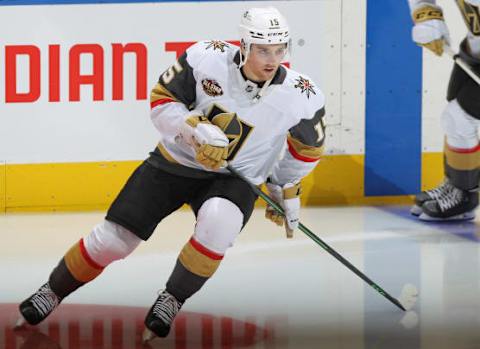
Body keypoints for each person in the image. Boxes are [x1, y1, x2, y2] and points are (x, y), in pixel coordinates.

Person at [16, 6, 326, 341]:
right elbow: (162, 101)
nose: (272, 59)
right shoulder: (206, 57)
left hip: (235, 178)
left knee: (218, 224)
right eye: (263, 49)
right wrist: (192, 129)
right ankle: (52, 290)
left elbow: (307, 148)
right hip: (175, 162)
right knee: (113, 241)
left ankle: (172, 298)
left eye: (280, 50)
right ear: (245, 44)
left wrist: (283, 185)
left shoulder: (302, 95)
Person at [408, 0, 480, 221]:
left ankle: (463, 193)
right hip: (475, 48)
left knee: (460, 117)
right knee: (455, 118)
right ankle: (459, 187)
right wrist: (427, 16)